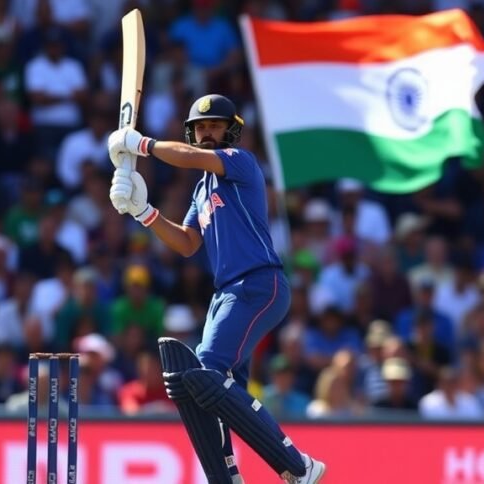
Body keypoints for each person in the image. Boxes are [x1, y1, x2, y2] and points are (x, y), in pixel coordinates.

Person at [107, 94, 325, 484]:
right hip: (226, 295)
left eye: (215, 126)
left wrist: (142, 144)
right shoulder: (201, 190)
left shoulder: (240, 161)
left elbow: (189, 157)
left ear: (230, 131)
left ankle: (298, 466)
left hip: (258, 283)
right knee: (206, 387)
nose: (207, 133)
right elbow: (188, 243)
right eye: (201, 127)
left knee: (207, 366)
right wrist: (143, 211)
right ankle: (227, 475)